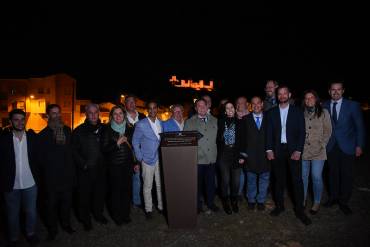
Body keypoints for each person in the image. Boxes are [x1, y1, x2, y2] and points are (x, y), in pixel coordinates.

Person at [266, 86, 311, 225]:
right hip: (277, 150)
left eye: (285, 93)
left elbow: (302, 133)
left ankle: (299, 210)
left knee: (296, 181)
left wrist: (298, 150)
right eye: (280, 94)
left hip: (293, 151)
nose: (282, 95)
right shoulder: (271, 112)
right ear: (277, 95)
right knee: (279, 181)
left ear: (289, 94)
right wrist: (269, 150)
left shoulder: (297, 112)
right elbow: (268, 133)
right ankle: (280, 206)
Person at [323, 81, 365, 215]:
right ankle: (333, 197)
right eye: (333, 89)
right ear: (329, 91)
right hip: (330, 146)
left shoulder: (353, 105)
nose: (335, 92)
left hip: (348, 146)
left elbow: (360, 127)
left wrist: (359, 145)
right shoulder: (323, 105)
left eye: (338, 89)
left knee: (347, 175)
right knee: (332, 173)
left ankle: (344, 201)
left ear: (343, 91)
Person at [0, 109, 40, 246]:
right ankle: (14, 237)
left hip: (30, 184)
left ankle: (30, 233)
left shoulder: (33, 137)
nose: (20, 122)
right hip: (11, 185)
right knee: (12, 214)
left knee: (31, 212)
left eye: (22, 119)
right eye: (16, 119)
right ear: (10, 122)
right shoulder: (3, 139)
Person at [38, 104, 76, 240]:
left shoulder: (67, 130)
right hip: (51, 179)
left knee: (66, 204)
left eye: (58, 113)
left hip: (66, 177)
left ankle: (66, 224)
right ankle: (52, 229)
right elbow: (40, 160)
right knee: (51, 206)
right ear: (48, 116)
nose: (57, 116)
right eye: (53, 113)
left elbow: (71, 152)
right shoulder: (42, 135)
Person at [72, 103, 108, 231]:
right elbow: (74, 151)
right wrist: (84, 164)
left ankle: (98, 214)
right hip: (86, 170)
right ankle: (85, 219)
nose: (93, 115)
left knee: (99, 194)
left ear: (98, 113)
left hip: (101, 169)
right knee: (84, 196)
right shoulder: (78, 131)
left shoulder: (105, 128)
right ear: (86, 114)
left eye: (95, 112)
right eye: (90, 113)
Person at [101, 105, 138, 225]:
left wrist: (136, 162)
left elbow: (134, 148)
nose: (118, 116)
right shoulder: (106, 129)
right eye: (115, 114)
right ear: (111, 116)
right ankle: (117, 216)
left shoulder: (130, 128)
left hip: (127, 165)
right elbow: (104, 149)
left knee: (127, 191)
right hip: (114, 166)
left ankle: (125, 214)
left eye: (120, 114)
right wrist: (117, 143)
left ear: (124, 115)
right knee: (115, 192)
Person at [184, 99, 219, 213]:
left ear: (207, 107)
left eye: (204, 105)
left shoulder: (216, 121)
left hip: (211, 158)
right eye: (199, 106)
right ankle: (197, 205)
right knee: (197, 184)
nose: (202, 108)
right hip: (198, 158)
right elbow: (187, 140)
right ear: (196, 108)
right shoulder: (189, 122)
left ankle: (211, 203)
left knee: (211, 184)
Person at [301, 90, 332, 215]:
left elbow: (328, 131)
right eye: (306, 98)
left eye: (311, 97)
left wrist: (322, 144)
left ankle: (317, 201)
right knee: (303, 177)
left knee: (316, 177)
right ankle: (302, 199)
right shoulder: (300, 113)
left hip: (318, 151)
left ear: (316, 99)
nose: (309, 100)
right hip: (303, 151)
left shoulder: (324, 112)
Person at [132, 101, 163, 219]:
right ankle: (148, 209)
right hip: (147, 160)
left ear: (157, 109)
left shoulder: (161, 123)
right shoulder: (141, 124)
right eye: (150, 108)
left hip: (159, 158)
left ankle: (161, 206)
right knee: (147, 186)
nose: (152, 110)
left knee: (160, 184)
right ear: (147, 110)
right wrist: (140, 158)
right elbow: (135, 142)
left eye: (154, 108)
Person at [239, 96, 270, 211]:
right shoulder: (245, 119)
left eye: (258, 103)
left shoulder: (269, 118)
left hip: (265, 154)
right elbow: (242, 139)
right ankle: (251, 200)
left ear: (262, 104)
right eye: (253, 104)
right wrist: (242, 155)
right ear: (250, 106)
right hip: (250, 155)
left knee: (264, 179)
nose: (256, 106)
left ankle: (261, 200)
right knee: (251, 180)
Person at [217, 101, 242, 214]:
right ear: (225, 111)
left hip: (236, 154)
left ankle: (234, 201)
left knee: (236, 182)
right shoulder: (221, 122)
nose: (230, 110)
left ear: (235, 108)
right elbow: (217, 139)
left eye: (231, 107)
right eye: (227, 108)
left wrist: (243, 156)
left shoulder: (240, 122)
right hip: (224, 154)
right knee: (225, 180)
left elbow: (244, 140)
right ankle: (225, 202)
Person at [124, 95, 146, 210]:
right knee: (135, 177)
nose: (132, 104)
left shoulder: (142, 117)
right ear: (125, 104)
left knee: (144, 177)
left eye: (133, 102)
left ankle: (143, 199)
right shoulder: (122, 117)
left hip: (143, 151)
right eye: (129, 102)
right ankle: (136, 201)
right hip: (129, 152)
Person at [235, 96, 249, 198]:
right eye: (238, 103)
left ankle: (248, 193)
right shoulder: (234, 118)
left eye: (242, 103)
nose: (240, 105)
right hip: (237, 150)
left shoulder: (251, 117)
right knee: (240, 173)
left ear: (246, 104)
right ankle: (239, 193)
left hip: (249, 149)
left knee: (249, 173)